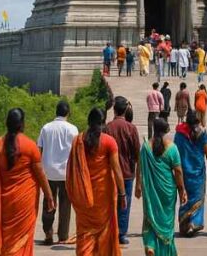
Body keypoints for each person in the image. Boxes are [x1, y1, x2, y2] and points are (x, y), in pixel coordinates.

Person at [0, 108, 56, 256]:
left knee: (6, 240)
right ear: (22, 124)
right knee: (22, 241)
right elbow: (40, 174)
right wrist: (49, 196)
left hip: (3, 203)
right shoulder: (30, 146)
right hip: (25, 204)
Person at [66, 107, 124, 256]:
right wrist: (123, 194)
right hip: (103, 198)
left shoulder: (78, 141)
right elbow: (117, 170)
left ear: (88, 121)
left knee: (85, 232)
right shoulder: (109, 142)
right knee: (104, 232)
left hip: (83, 199)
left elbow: (71, 172)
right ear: (103, 122)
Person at [135, 117, 187, 256]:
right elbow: (178, 172)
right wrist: (182, 190)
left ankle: (151, 245)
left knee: (150, 217)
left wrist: (138, 185)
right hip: (167, 191)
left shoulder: (145, 147)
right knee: (166, 222)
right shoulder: (172, 148)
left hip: (150, 190)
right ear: (167, 130)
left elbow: (139, 166)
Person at [37, 101, 79, 245]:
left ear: (56, 112)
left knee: (49, 201)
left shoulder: (46, 128)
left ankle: (48, 233)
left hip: (48, 172)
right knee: (65, 204)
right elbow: (76, 152)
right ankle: (63, 235)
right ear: (68, 113)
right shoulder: (73, 129)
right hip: (66, 173)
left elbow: (39, 150)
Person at [104, 97, 139, 246]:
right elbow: (137, 154)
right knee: (124, 205)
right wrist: (139, 178)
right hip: (126, 172)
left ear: (114, 110)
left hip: (110, 173)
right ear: (126, 110)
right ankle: (121, 234)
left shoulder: (107, 127)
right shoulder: (131, 128)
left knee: (111, 204)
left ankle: (110, 231)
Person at [174, 110, 207, 237]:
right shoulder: (202, 134)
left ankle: (185, 225)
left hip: (183, 173)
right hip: (197, 174)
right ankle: (193, 223)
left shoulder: (179, 134)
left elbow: (175, 154)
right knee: (197, 199)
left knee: (184, 198)